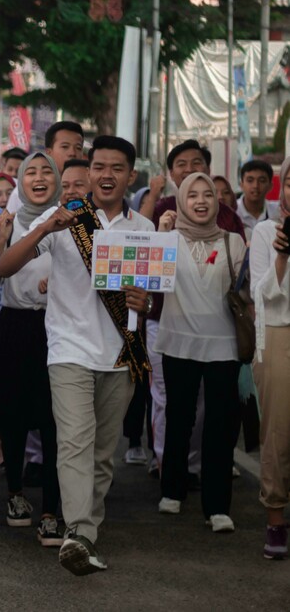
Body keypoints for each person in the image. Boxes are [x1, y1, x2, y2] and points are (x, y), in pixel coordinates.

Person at [0, 135, 154, 576]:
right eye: (99, 167)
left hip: (121, 353)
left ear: (130, 175)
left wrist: (145, 303)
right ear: (87, 175)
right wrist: (47, 228)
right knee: (73, 443)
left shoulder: (143, 228)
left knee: (104, 452)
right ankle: (79, 533)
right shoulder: (63, 218)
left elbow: (151, 297)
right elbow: (6, 267)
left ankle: (86, 532)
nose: (106, 175)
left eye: (115, 168)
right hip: (67, 349)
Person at [146, 141, 246, 479]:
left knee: (213, 412)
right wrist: (162, 233)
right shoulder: (162, 214)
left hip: (221, 337)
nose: (190, 170)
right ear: (172, 173)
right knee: (174, 407)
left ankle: (205, 471)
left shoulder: (230, 223)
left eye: (197, 163)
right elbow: (150, 273)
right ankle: (169, 472)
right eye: (182, 164)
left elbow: (242, 280)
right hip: (168, 325)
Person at [0, 152, 64, 546]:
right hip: (17, 325)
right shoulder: (5, 222)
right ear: (20, 181)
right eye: (30, 172)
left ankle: (51, 511)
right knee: (14, 417)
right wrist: (1, 241)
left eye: (45, 172)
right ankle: (15, 494)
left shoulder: (71, 221)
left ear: (57, 180)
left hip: (58, 327)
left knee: (56, 419)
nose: (38, 178)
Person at [253, 157, 290, 560]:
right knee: (278, 428)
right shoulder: (266, 231)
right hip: (279, 331)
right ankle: (276, 518)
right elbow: (263, 293)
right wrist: (282, 254)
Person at [7, 122, 84, 214]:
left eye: (78, 148)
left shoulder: (90, 189)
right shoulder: (24, 192)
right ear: (49, 152)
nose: (72, 153)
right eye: (65, 147)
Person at [237, 160, 280, 236]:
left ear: (270, 186)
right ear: (241, 185)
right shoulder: (232, 211)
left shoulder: (278, 212)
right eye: (250, 180)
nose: (255, 186)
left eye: (262, 181)